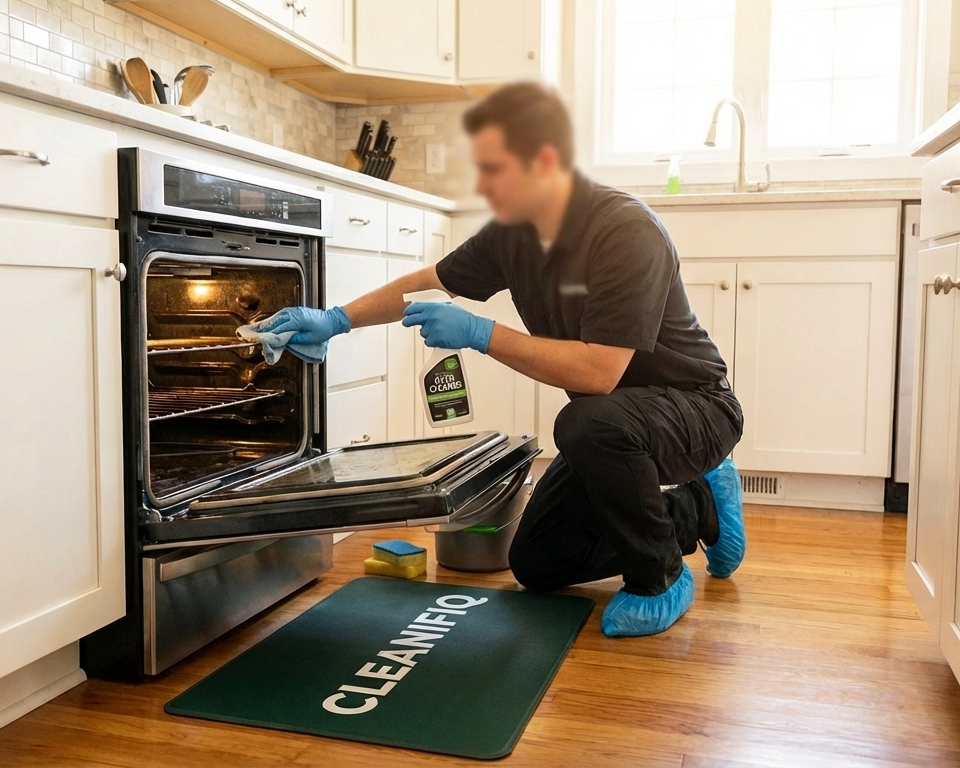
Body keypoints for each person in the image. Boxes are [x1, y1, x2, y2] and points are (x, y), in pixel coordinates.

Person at [255, 82, 745, 637]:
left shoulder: (625, 232)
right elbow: (427, 283)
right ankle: (697, 506)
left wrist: (482, 333)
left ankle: (659, 577)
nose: (484, 186)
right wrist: (336, 319)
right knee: (537, 563)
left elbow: (597, 374)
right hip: (616, 426)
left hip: (696, 408)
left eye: (495, 170)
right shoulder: (513, 235)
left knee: (585, 422)